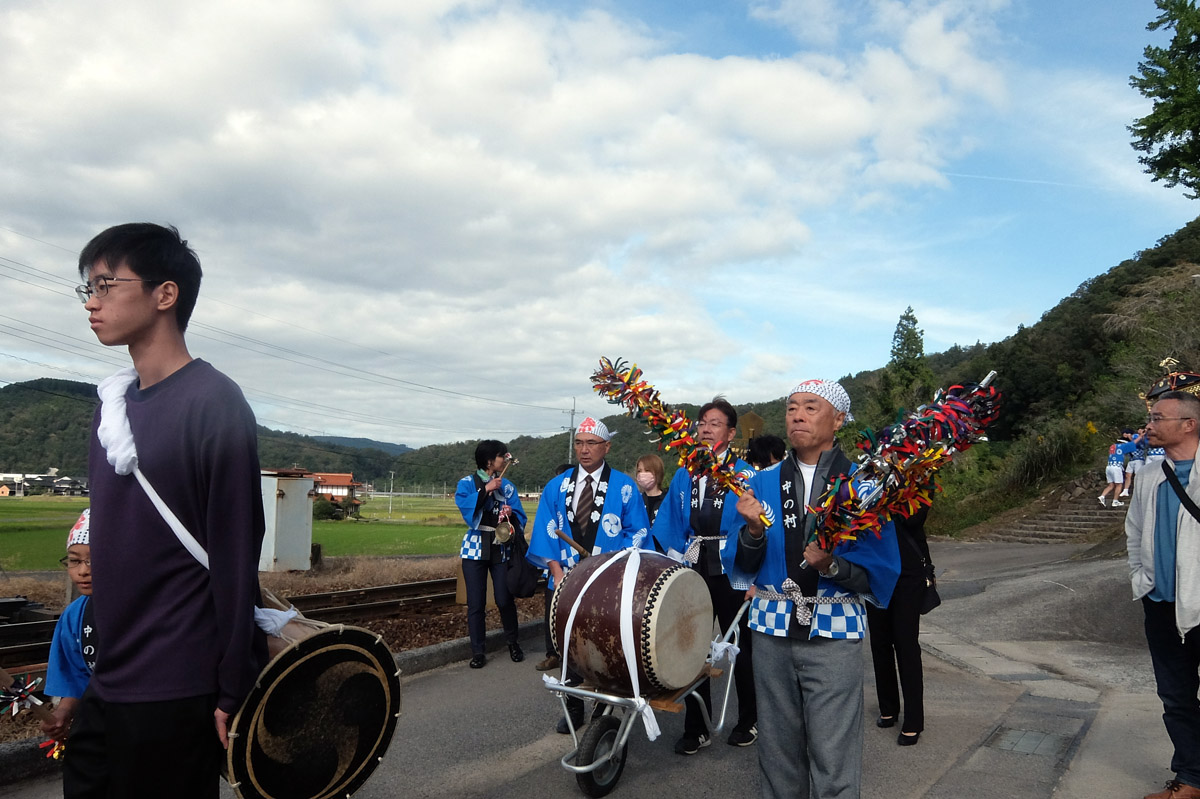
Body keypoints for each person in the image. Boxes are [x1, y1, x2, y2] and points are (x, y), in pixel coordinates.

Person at [68, 223, 266, 799]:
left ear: (165, 294)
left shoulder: (213, 402)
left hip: (178, 682)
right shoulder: (111, 407)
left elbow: (235, 552)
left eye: (105, 284)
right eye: (87, 288)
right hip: (111, 675)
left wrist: (232, 685)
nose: (92, 302)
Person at [722, 379, 900, 799]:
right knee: (776, 748)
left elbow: (879, 573)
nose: (797, 416)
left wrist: (832, 565)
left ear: (838, 420)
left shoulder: (863, 485)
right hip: (771, 630)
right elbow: (741, 564)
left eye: (810, 407)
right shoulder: (760, 482)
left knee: (833, 750)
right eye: (791, 408)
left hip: (833, 632)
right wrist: (752, 531)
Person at [526, 417, 650, 733]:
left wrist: (615, 567)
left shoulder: (624, 487)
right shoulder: (557, 486)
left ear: (606, 447)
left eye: (591, 443)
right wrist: (555, 570)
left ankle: (602, 708)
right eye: (579, 443)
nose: (584, 449)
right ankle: (572, 706)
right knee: (566, 643)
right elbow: (545, 529)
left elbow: (638, 531)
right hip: (564, 578)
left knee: (605, 643)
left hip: (608, 580)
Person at [651, 397, 758, 752]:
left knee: (741, 644)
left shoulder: (746, 474)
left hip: (733, 567)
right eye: (702, 423)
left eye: (715, 424)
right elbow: (670, 523)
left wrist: (756, 577)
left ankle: (750, 719)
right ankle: (697, 727)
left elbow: (759, 527)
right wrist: (669, 565)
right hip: (694, 563)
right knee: (692, 645)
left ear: (731, 432)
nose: (706, 429)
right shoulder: (686, 472)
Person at [1126, 391, 1200, 799]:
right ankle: (1190, 779)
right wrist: (1142, 579)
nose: (1149, 425)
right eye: (1150, 417)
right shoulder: (1150, 475)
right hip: (1160, 605)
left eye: (1158, 418)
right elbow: (1134, 531)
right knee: (1175, 697)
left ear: (1189, 424)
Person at [455, 440, 528, 668]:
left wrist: (511, 514)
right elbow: (465, 508)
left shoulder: (507, 486)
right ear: (489, 461)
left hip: (500, 545)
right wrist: (486, 489)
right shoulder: (466, 483)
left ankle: (513, 643)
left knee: (504, 599)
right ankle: (478, 651)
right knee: (475, 603)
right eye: (500, 456)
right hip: (474, 547)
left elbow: (520, 515)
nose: (504, 460)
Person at [866, 504, 932, 745]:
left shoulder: (918, 482)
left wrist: (892, 494)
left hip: (908, 571)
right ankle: (888, 707)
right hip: (875, 568)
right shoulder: (869, 482)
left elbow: (914, 519)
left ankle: (913, 719)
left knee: (906, 644)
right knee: (879, 642)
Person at [41, 509, 96, 743]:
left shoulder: (149, 609)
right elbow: (76, 677)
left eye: (94, 559)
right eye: (74, 560)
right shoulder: (75, 615)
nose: (83, 571)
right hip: (99, 726)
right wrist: (63, 712)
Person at [535, 463, 574, 673]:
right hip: (556, 567)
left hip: (578, 565)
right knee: (552, 612)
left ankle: (573, 657)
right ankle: (553, 654)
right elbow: (545, 532)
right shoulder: (552, 499)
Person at [1100, 429, 1136, 507]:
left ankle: (1102, 496)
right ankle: (1115, 501)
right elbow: (1133, 443)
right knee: (1119, 485)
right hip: (1117, 467)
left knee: (1111, 485)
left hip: (1109, 467)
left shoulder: (1113, 446)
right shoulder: (1122, 446)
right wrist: (1140, 436)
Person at [635, 453, 667, 525]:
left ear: (657, 472)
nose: (642, 474)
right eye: (639, 471)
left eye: (647, 470)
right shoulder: (635, 500)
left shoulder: (667, 501)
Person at [1123, 427, 1149, 498]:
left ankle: (1138, 489)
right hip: (1131, 459)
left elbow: (1138, 444)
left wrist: (1131, 438)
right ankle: (1125, 490)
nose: (1124, 435)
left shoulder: (1136, 436)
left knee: (1137, 475)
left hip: (1139, 459)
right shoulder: (1126, 440)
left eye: (1125, 433)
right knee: (1128, 475)